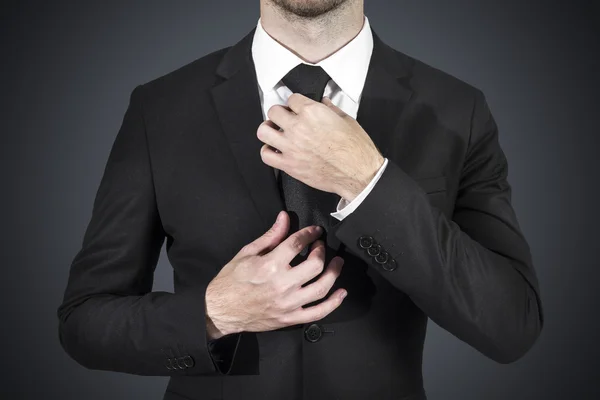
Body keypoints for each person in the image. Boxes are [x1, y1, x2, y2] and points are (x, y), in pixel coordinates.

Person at [56, 0, 544, 399]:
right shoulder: (158, 108)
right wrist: (214, 313)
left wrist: (368, 182)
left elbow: (511, 325)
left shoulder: (459, 110)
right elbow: (85, 321)